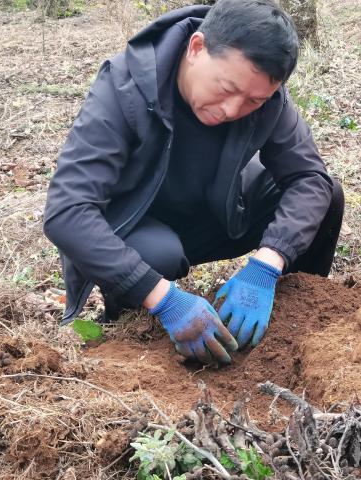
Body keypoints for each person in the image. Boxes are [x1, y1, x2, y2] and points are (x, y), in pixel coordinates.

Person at [43, 0, 344, 365]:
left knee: (328, 194)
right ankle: (132, 334)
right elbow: (66, 212)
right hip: (137, 230)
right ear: (197, 47)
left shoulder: (267, 98)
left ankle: (292, 319)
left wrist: (268, 263)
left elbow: (308, 177)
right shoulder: (125, 87)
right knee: (158, 254)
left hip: (215, 212)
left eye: (253, 100)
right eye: (225, 88)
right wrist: (164, 298)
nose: (232, 110)